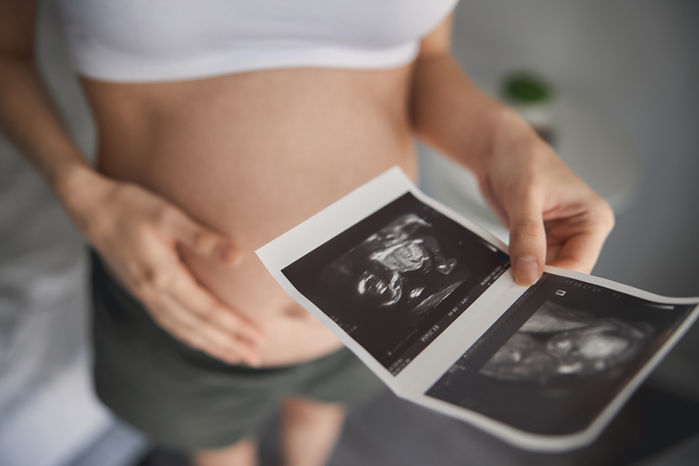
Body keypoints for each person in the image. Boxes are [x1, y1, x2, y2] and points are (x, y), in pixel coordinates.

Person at [0, 1, 615, 465]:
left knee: (318, 427)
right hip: (184, 317)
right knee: (221, 451)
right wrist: (83, 194)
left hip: (377, 325)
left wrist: (506, 139)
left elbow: (426, 60)